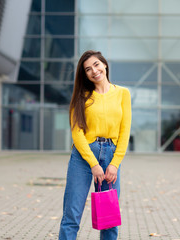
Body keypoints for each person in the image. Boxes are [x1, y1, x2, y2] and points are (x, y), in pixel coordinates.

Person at [58, 50, 132, 240]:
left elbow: (125, 131)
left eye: (96, 65)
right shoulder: (80, 97)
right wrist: (93, 164)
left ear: (104, 64)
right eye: (88, 69)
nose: (94, 71)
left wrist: (114, 164)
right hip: (83, 157)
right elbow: (77, 133)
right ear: (85, 75)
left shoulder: (123, 94)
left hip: (111, 155)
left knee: (109, 219)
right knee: (71, 215)